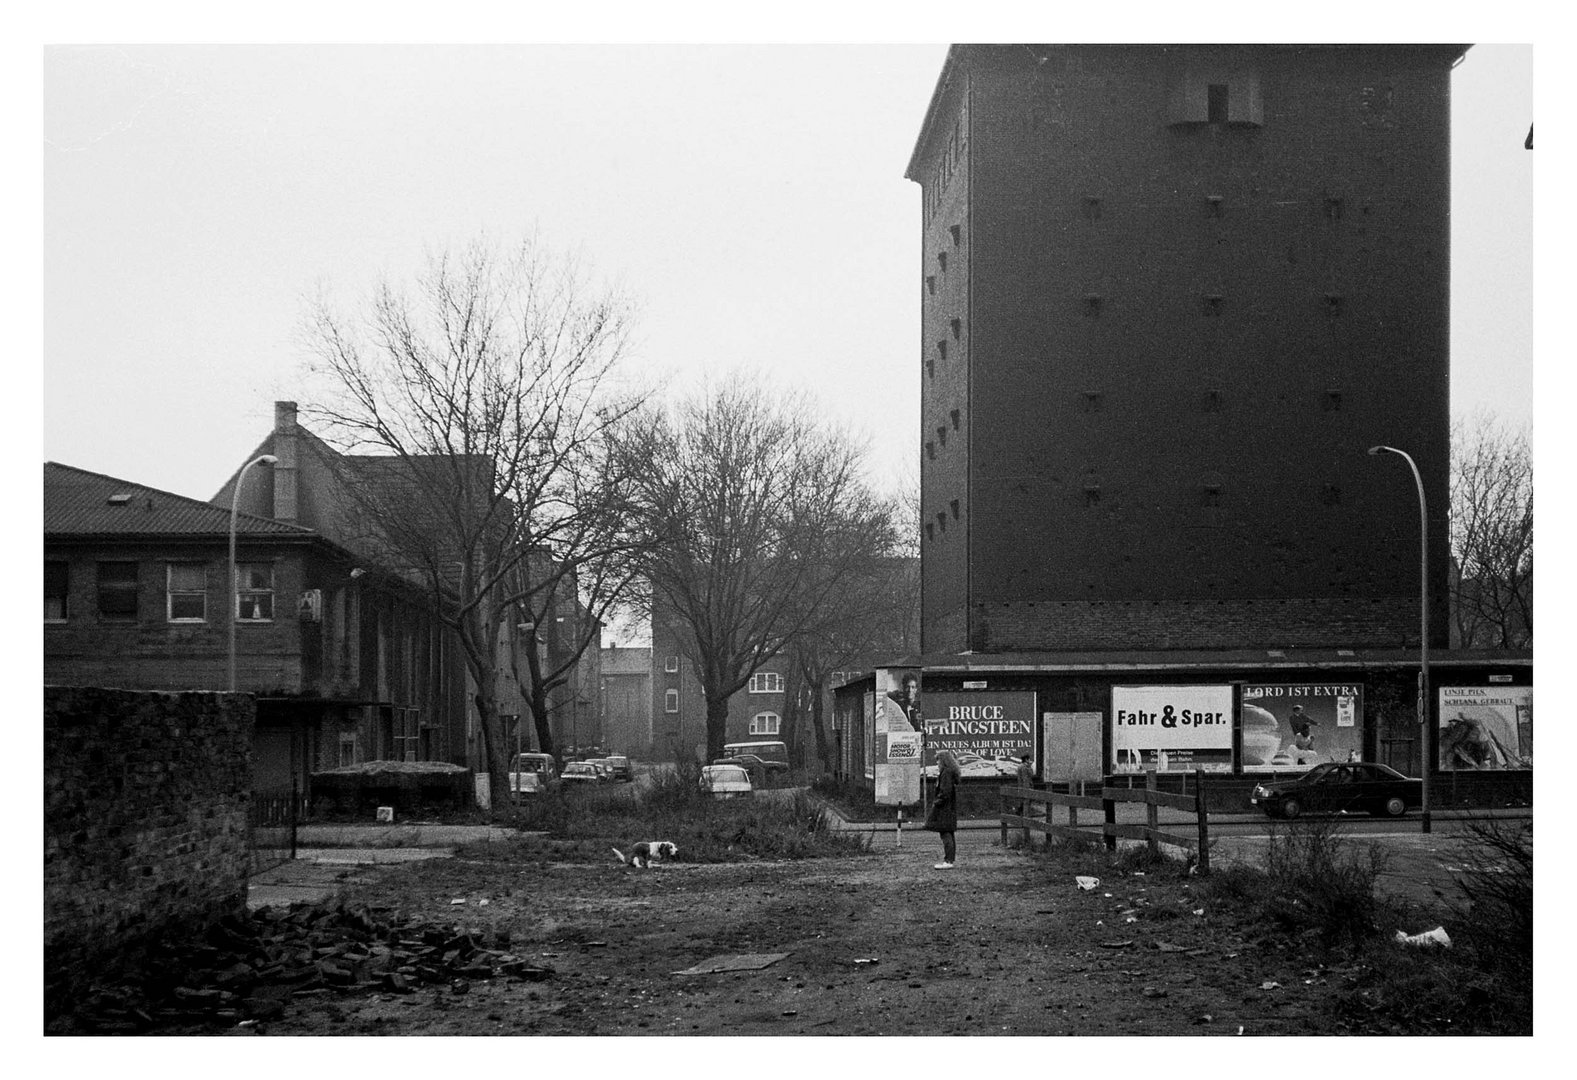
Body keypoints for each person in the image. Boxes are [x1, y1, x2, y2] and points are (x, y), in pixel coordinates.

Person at [924, 750, 961, 869]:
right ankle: (950, 859)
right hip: (949, 807)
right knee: (948, 832)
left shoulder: (945, 773)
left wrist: (937, 802)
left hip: (944, 808)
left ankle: (948, 861)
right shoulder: (951, 772)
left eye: (938, 760)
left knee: (945, 833)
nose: (937, 763)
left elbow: (945, 791)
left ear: (943, 761)